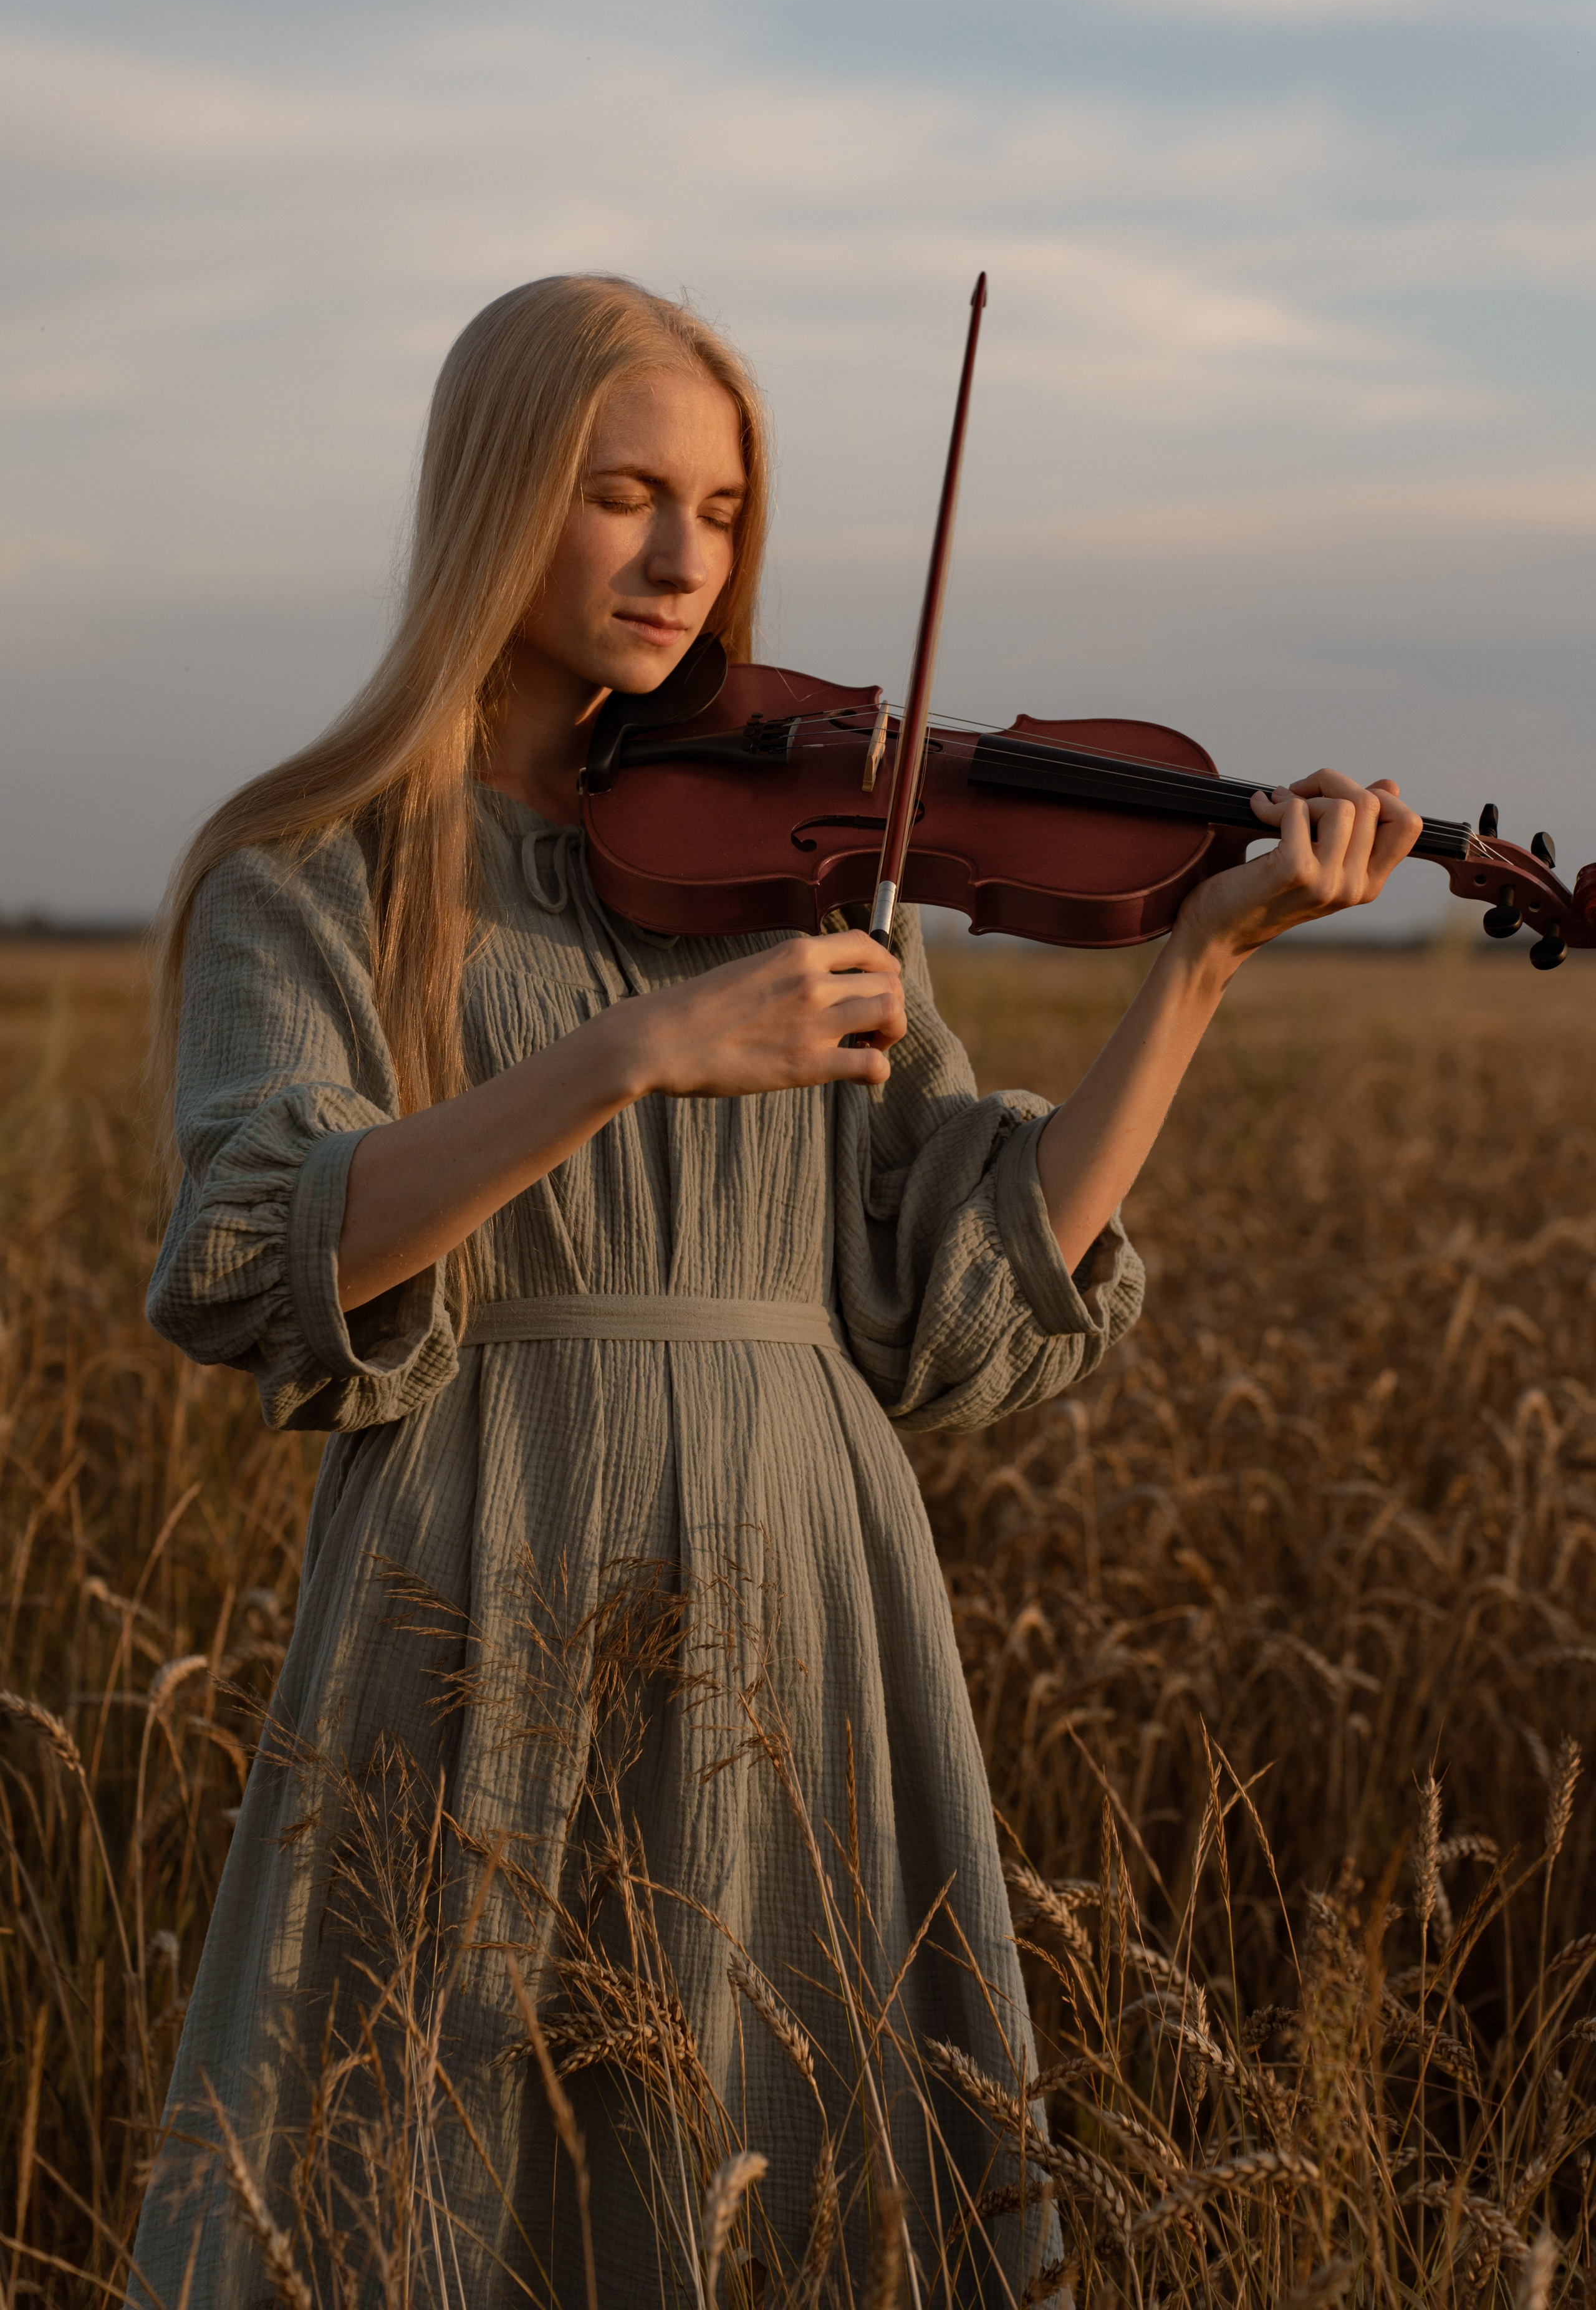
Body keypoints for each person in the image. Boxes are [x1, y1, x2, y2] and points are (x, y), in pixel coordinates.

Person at [131, 273, 1421, 2308]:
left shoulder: (803, 861)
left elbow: (956, 1288)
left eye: (722, 511)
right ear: (495, 499)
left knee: (801, 2158)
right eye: (622, 494)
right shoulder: (311, 865)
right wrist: (629, 1055)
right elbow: (261, 1252)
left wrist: (1199, 970)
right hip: (484, 1547)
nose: (681, 559)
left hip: (804, 1564)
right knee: (437, 2163)